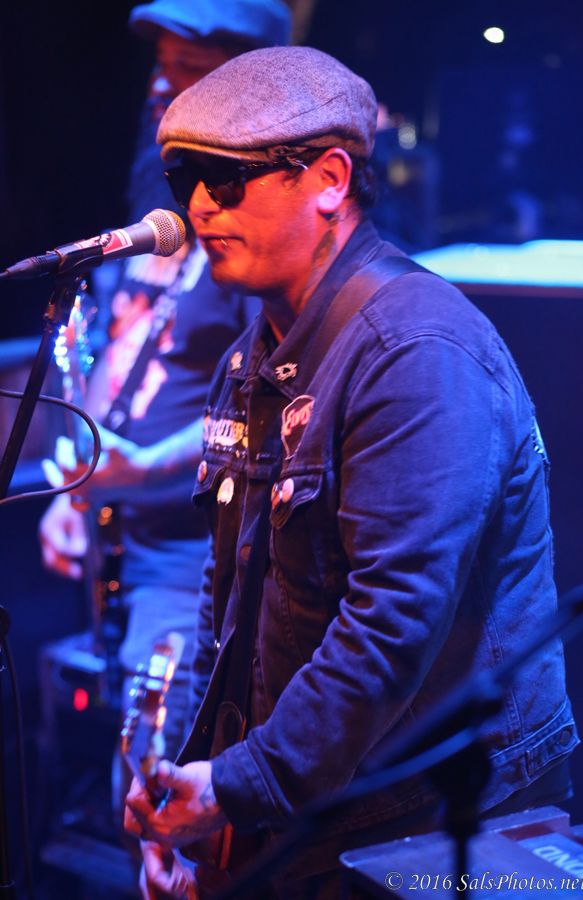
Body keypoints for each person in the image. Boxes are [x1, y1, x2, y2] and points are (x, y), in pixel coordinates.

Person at [124, 46, 579, 899]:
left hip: (436, 821)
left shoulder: (417, 351)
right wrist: (198, 793)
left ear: (330, 179)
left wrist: (232, 790)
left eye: (228, 179)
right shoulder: (253, 358)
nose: (197, 205)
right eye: (186, 178)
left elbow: (391, 623)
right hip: (317, 809)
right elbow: (227, 607)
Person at [38, 0, 291, 768]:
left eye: (188, 70)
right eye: (161, 66)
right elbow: (119, 351)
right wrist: (74, 493)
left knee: (154, 779)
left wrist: (145, 467)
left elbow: (273, 403)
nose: (159, 86)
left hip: (191, 557)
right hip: (119, 535)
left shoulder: (254, 246)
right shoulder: (158, 214)